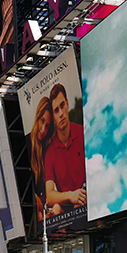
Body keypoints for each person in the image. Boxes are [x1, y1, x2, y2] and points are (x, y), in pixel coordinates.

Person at [45, 83, 87, 211]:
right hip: (68, 214)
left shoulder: (83, 133)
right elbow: (50, 196)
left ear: (68, 104)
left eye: (62, 105)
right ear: (53, 117)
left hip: (90, 202)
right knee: (56, 208)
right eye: (56, 110)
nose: (61, 113)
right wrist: (71, 196)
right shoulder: (50, 153)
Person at [29, 97, 54, 220]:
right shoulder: (27, 143)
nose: (43, 130)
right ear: (37, 117)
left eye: (48, 126)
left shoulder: (48, 148)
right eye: (42, 120)